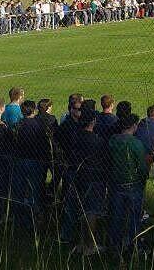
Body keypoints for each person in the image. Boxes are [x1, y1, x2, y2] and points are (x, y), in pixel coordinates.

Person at [61, 109, 108, 255]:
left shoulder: (76, 137)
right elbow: (103, 160)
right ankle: (90, 245)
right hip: (93, 179)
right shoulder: (97, 140)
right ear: (93, 121)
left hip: (78, 176)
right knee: (91, 212)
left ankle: (82, 243)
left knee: (81, 210)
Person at [108, 113, 148, 257]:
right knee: (133, 217)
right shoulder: (136, 143)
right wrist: (142, 180)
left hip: (116, 184)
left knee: (116, 216)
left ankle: (115, 246)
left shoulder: (113, 140)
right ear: (134, 126)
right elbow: (142, 167)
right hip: (132, 185)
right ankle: (132, 245)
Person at [13, 99, 48, 230]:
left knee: (21, 191)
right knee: (35, 191)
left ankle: (21, 220)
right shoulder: (39, 125)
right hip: (35, 161)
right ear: (34, 110)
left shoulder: (18, 125)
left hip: (21, 160)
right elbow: (44, 144)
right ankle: (34, 221)